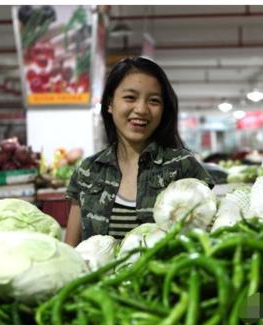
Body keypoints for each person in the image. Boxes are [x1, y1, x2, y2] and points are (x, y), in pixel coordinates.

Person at [64, 56, 214, 246]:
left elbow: (205, 241)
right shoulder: (88, 171)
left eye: (153, 100)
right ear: (110, 103)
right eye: (130, 98)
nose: (141, 109)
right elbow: (71, 250)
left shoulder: (182, 167)